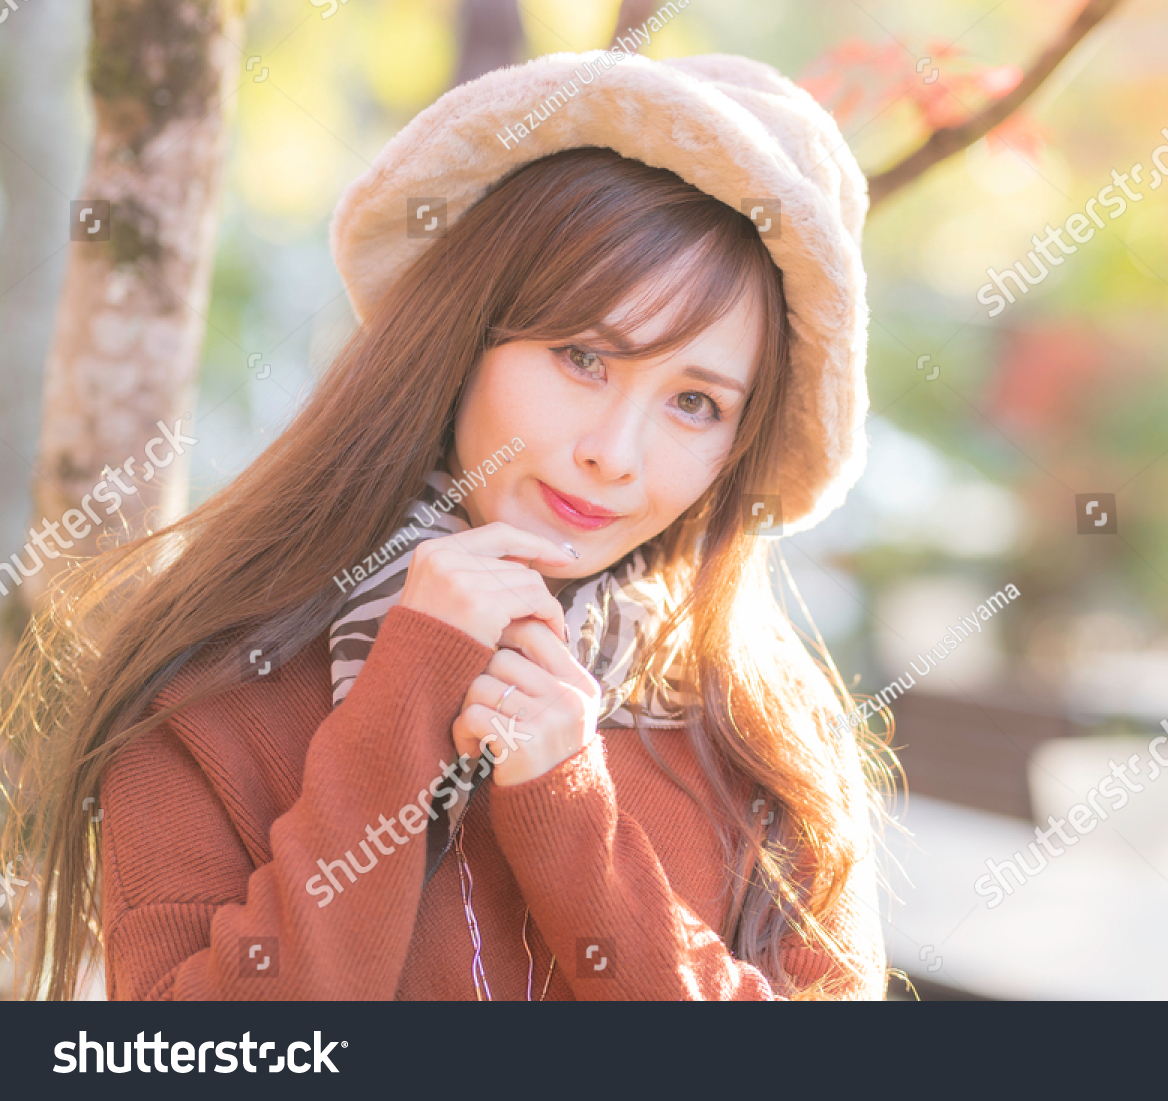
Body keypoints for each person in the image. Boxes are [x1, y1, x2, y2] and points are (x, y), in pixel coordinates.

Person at [2, 51, 894, 1000]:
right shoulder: (212, 687)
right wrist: (406, 695)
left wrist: (572, 821)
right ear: (466, 334)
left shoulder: (761, 729)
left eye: (695, 403)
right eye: (583, 357)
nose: (615, 453)